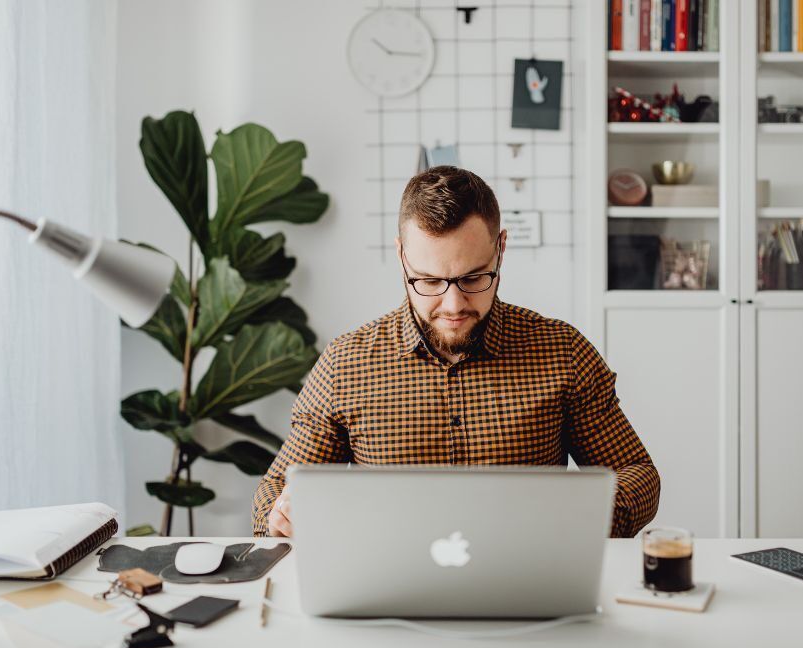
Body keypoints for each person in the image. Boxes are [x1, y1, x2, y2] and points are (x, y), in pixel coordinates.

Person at [253, 166, 660, 537]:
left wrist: (582, 516)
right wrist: (281, 514)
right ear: (401, 257)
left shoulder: (563, 352)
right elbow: (275, 490)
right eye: (428, 281)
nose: (452, 306)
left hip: (526, 586)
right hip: (387, 594)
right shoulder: (346, 364)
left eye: (473, 278)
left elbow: (638, 475)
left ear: (500, 249)